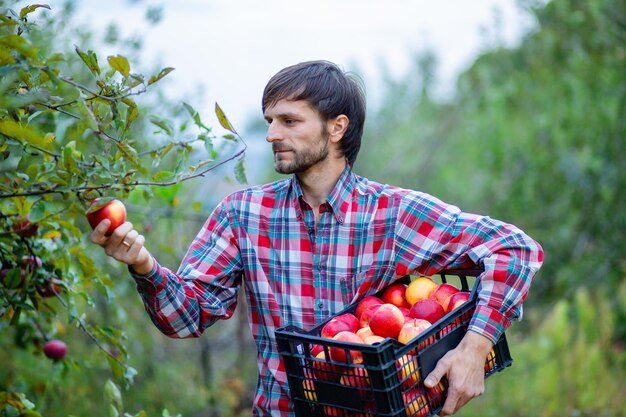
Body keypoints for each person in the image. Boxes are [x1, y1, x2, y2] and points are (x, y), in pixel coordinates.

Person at [90, 60, 543, 416]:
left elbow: (516, 249)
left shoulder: (395, 213)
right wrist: (143, 265)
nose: (271, 135)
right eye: (270, 121)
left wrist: (475, 346)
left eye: (289, 121)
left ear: (337, 127)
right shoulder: (244, 215)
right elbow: (184, 318)